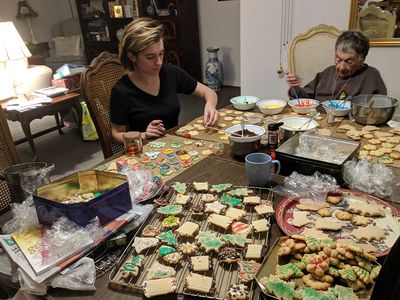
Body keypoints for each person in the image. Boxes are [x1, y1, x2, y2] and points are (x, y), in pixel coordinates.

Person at [110, 17, 219, 144]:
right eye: (150, 57)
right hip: (144, 153)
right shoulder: (121, 91)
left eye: (161, 54)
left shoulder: (170, 73)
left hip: (175, 146)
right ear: (132, 56)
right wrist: (143, 134)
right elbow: (116, 135)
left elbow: (209, 92)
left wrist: (210, 105)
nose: (159, 62)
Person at [287, 30, 387, 101]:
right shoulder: (328, 72)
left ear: (362, 60)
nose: (341, 67)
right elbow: (305, 100)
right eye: (338, 59)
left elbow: (379, 111)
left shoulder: (372, 76)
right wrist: (296, 88)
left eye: (349, 62)